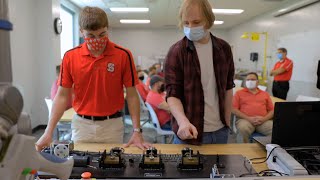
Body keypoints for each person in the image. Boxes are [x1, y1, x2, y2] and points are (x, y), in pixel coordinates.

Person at [36, 6, 151, 151]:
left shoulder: (123, 55)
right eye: (91, 36)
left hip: (112, 125)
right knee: (79, 168)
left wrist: (137, 131)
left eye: (102, 34)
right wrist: (48, 132)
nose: (97, 40)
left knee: (111, 168)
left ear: (107, 28)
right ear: (81, 32)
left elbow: (132, 95)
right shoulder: (70, 57)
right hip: (82, 125)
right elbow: (62, 96)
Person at [164, 0, 235, 145]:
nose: (190, 27)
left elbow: (228, 87)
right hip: (189, 131)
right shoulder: (176, 51)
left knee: (221, 168)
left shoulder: (223, 49)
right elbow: (172, 94)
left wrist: (227, 121)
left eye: (196, 22)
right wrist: (183, 122)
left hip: (220, 130)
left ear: (208, 20)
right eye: (186, 23)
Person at [232, 72, 274, 143]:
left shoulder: (265, 94)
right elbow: (233, 109)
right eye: (248, 80)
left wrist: (264, 119)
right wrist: (248, 118)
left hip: (263, 121)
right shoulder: (239, 93)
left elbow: (272, 110)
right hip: (245, 120)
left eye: (252, 79)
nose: (250, 81)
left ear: (257, 82)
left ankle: (267, 150)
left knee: (275, 129)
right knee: (243, 129)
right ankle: (243, 151)